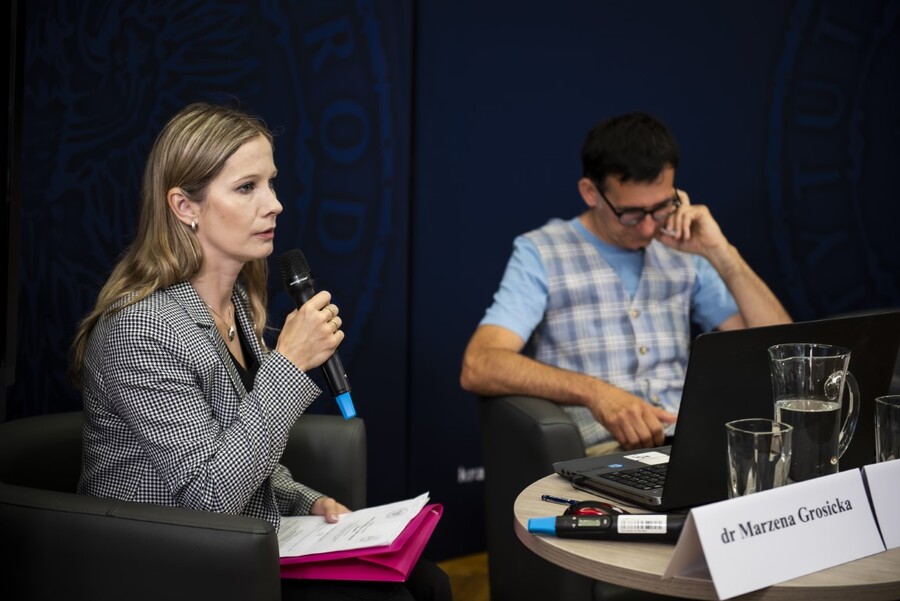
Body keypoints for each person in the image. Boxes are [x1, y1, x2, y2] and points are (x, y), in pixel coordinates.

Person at [69, 102, 450, 601]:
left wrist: (307, 502)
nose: (274, 204)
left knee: (428, 580)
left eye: (271, 183)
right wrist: (288, 364)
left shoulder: (237, 308)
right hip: (164, 562)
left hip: (235, 544)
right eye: (247, 188)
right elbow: (208, 498)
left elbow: (242, 451)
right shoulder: (141, 329)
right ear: (185, 207)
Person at [460, 111, 791, 455]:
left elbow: (784, 354)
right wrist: (596, 393)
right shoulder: (541, 252)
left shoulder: (684, 246)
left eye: (662, 206)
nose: (649, 228)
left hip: (692, 442)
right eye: (631, 213)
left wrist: (721, 252)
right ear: (590, 192)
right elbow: (480, 364)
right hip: (603, 451)